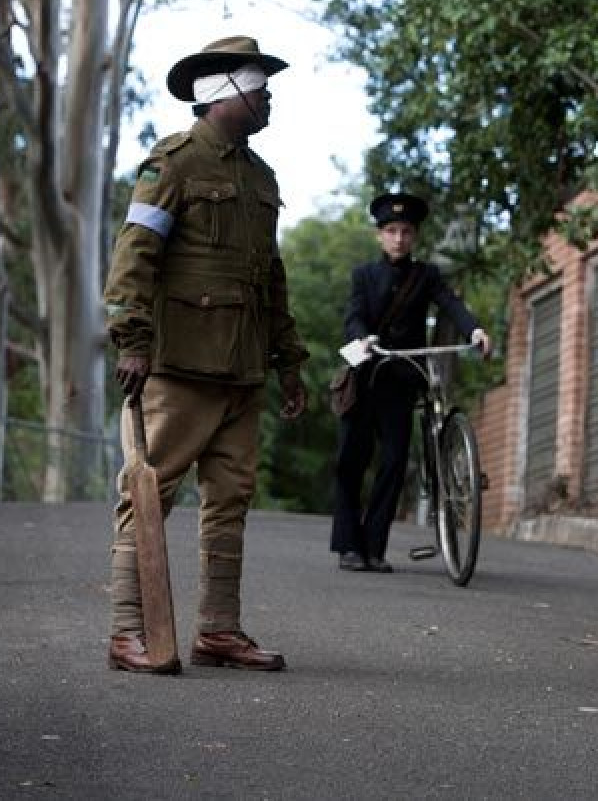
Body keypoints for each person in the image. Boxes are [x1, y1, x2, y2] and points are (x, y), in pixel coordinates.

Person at [102, 35, 309, 675]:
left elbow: (268, 278)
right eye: (259, 86)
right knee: (149, 494)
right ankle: (127, 632)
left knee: (230, 498)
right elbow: (135, 254)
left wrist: (288, 360)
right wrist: (133, 339)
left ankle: (218, 631)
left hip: (242, 368)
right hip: (179, 363)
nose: (269, 96)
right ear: (224, 93)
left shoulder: (261, 179)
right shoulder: (174, 165)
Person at [330, 192, 491, 573]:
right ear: (379, 236)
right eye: (391, 231)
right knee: (351, 461)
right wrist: (363, 338)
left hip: (403, 380)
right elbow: (353, 317)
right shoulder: (364, 276)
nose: (398, 238)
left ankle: (374, 547)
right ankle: (349, 546)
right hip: (366, 374)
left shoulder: (426, 276)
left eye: (405, 231)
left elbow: (450, 304)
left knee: (394, 462)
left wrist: (476, 330)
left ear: (414, 236)